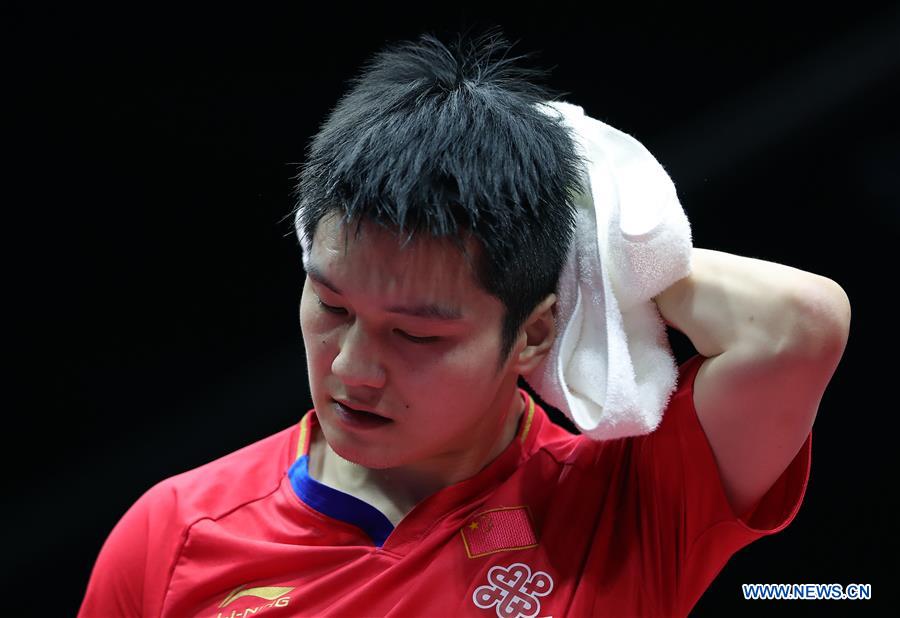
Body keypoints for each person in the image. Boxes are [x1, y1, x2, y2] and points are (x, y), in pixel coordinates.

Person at [79, 28, 851, 617]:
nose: (351, 367)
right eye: (333, 305)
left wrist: (604, 238)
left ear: (537, 333)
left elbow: (798, 326)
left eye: (416, 335)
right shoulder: (174, 533)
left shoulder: (620, 507)